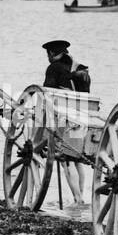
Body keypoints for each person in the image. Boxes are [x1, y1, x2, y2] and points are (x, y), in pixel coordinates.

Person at [41, 39, 91, 205]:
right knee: (76, 159)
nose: (47, 57)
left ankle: (77, 198)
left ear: (52, 53)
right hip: (82, 116)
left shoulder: (53, 68)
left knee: (66, 159)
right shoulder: (80, 68)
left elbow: (46, 94)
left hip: (64, 118)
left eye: (48, 54)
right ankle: (80, 197)